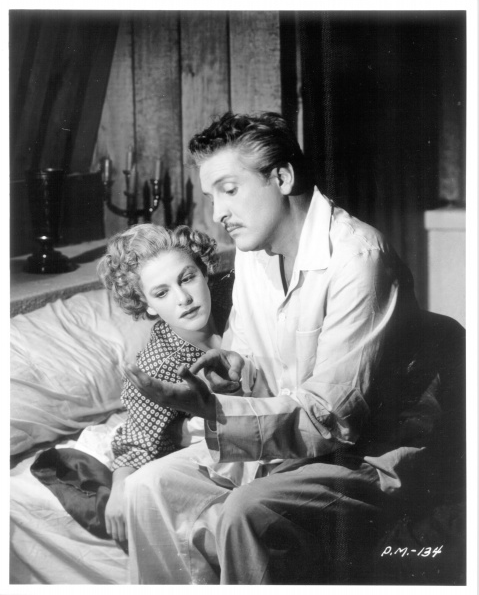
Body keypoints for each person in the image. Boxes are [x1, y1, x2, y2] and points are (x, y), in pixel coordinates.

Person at [123, 112, 435, 585]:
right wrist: (237, 368)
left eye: (229, 190)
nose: (217, 213)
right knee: (145, 487)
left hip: (363, 454)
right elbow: (251, 353)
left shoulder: (360, 260)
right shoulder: (253, 255)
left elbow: (333, 418)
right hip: (287, 445)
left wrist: (213, 411)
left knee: (244, 512)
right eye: (211, 197)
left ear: (283, 177)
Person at [96, 223, 235, 544]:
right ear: (146, 303)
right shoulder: (158, 365)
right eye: (162, 293)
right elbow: (139, 443)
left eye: (187, 278)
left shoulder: (237, 296)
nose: (184, 298)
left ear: (204, 272)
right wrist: (120, 488)